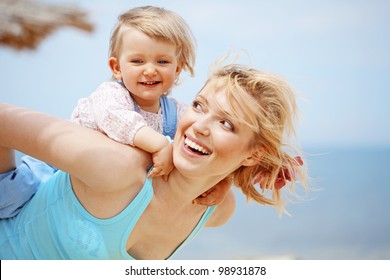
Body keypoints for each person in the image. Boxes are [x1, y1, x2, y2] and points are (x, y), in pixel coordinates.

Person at [0, 64, 308, 259]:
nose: (199, 126)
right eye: (199, 106)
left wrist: (225, 177)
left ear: (254, 155)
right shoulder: (116, 167)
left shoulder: (217, 210)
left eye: (227, 124)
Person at [0, 6, 227, 219]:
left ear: (177, 69)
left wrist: (222, 183)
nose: (150, 70)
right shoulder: (110, 95)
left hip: (99, 196)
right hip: (53, 173)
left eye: (163, 61)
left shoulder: (177, 112)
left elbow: (203, 143)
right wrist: (160, 145)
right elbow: (117, 119)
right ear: (116, 67)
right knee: (10, 199)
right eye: (137, 61)